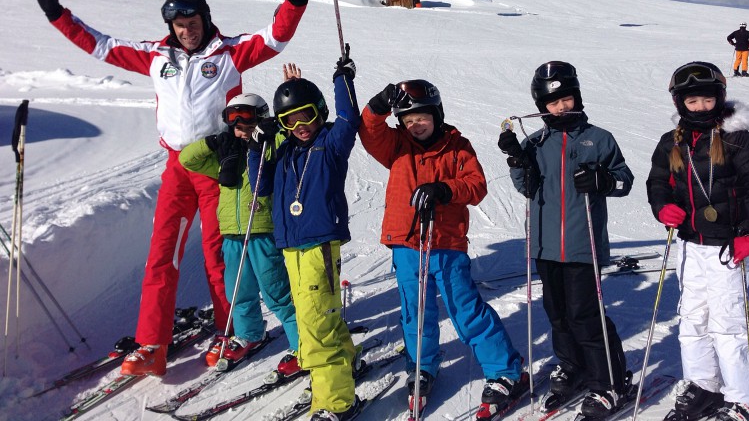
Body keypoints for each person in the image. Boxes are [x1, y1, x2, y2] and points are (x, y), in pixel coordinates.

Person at [23, 0, 314, 376]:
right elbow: (100, 45)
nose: (186, 29)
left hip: (219, 165)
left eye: (192, 21)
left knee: (219, 255)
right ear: (171, 27)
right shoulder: (156, 56)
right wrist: (56, 13)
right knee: (162, 254)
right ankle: (151, 344)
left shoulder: (229, 53)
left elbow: (275, 37)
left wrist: (296, 1)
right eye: (178, 24)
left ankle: (229, 330)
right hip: (177, 166)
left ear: (204, 20)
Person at [359, 80, 526, 419]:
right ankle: (422, 366)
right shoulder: (397, 146)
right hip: (407, 244)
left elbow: (476, 185)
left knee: (465, 309)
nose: (415, 126)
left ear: (436, 114)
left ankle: (506, 371)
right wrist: (377, 106)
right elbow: (369, 132)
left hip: (446, 243)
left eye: (421, 117)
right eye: (407, 120)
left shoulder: (457, 146)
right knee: (415, 312)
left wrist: (445, 190)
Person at [497, 61, 634, 419]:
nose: (561, 107)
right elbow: (527, 188)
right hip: (544, 245)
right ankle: (572, 366)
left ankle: (610, 381)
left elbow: (624, 180)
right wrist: (516, 158)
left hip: (581, 244)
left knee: (584, 315)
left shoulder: (598, 138)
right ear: (541, 107)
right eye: (553, 103)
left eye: (567, 99)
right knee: (557, 315)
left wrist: (602, 180)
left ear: (577, 98)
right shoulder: (535, 141)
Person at [646, 61, 749, 421]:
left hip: (729, 247)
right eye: (692, 102)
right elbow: (658, 182)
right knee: (691, 319)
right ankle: (703, 384)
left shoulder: (741, 141)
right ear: (680, 104)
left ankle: (744, 399)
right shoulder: (672, 142)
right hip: (690, 245)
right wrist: (663, 207)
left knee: (728, 324)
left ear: (719, 98)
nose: (700, 107)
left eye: (707, 100)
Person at [249, 54, 360, 421]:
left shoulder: (329, 144)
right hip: (292, 248)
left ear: (319, 113)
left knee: (317, 320)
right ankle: (345, 366)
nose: (300, 125)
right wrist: (258, 145)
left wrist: (341, 79)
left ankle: (335, 401)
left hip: (317, 244)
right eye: (289, 120)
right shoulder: (282, 153)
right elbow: (261, 185)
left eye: (307, 115)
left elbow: (347, 119)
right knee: (317, 313)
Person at [178, 91, 301, 375]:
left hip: (261, 232)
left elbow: (289, 142)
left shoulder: (270, 149)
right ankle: (250, 333)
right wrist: (213, 142)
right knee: (239, 291)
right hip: (232, 235)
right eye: (236, 126)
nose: (241, 131)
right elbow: (188, 159)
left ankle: (302, 343)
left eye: (248, 126)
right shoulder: (227, 157)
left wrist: (275, 129)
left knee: (277, 293)